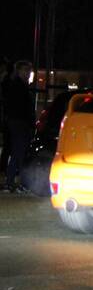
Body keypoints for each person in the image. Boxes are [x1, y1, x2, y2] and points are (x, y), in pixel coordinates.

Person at [1, 61, 36, 193]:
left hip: (17, 122)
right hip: (19, 122)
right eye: (26, 71)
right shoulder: (19, 86)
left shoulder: (17, 85)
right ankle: (19, 183)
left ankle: (11, 182)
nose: (27, 73)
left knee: (17, 152)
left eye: (28, 71)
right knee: (20, 152)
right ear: (20, 71)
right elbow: (23, 107)